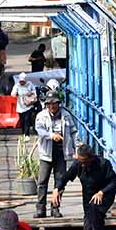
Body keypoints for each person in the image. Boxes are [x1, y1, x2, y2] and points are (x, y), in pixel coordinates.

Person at [53, 144, 116, 230]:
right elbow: (66, 177)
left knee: (95, 209)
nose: (82, 165)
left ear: (91, 158)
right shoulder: (78, 164)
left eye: (85, 162)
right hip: (88, 196)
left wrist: (101, 192)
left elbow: (115, 182)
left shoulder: (103, 164)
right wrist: (57, 189)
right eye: (81, 162)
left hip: (104, 195)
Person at [34, 82, 77, 219]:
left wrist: (76, 148)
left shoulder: (66, 115)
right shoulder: (41, 116)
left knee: (60, 181)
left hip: (61, 153)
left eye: (54, 103)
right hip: (46, 153)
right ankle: (40, 209)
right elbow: (40, 130)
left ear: (58, 103)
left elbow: (74, 132)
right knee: (42, 181)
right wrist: (51, 136)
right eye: (49, 104)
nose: (52, 106)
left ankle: (55, 208)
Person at [11, 73, 39, 138]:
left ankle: (27, 134)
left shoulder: (30, 84)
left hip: (29, 105)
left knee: (27, 120)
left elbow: (34, 92)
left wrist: (30, 93)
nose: (22, 83)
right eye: (21, 81)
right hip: (20, 106)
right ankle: (24, 132)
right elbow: (12, 94)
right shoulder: (17, 86)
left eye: (23, 81)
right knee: (22, 121)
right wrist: (15, 93)